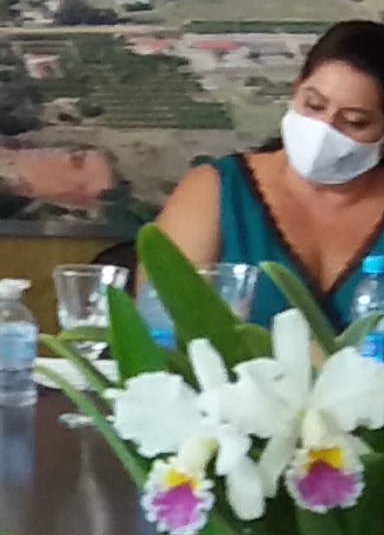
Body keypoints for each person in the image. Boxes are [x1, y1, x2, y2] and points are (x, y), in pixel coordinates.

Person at [156, 20, 384, 328]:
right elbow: (163, 327)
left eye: (355, 122)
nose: (324, 129)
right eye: (314, 105)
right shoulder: (215, 190)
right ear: (295, 91)